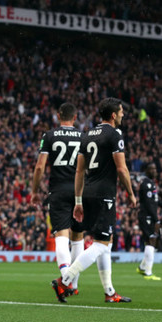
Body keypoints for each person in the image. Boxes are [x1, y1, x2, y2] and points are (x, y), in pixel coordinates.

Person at [52, 97, 136, 303]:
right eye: (121, 111)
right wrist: (131, 193)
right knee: (101, 244)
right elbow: (122, 168)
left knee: (106, 242)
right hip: (103, 194)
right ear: (114, 115)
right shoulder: (115, 134)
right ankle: (65, 280)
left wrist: (79, 200)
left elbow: (80, 171)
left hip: (87, 192)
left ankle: (109, 292)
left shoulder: (88, 134)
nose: (123, 114)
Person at [31, 102, 84, 302]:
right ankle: (74, 283)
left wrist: (35, 191)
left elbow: (39, 167)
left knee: (62, 236)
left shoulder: (49, 136)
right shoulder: (83, 137)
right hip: (80, 191)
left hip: (59, 190)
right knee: (78, 236)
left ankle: (65, 278)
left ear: (58, 115)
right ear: (75, 116)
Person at [137, 162, 161, 280]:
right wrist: (156, 219)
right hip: (146, 216)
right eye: (152, 169)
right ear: (146, 170)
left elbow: (155, 202)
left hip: (149, 216)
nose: (154, 171)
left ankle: (142, 267)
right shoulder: (146, 184)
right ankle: (148, 273)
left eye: (155, 169)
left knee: (152, 241)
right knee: (151, 241)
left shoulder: (151, 184)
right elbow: (148, 204)